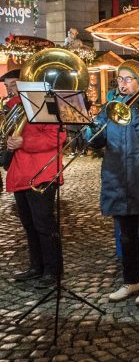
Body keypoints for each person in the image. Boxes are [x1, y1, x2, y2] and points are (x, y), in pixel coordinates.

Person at [92, 61, 139, 305]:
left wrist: (133, 110)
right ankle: (131, 280)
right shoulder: (110, 106)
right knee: (126, 236)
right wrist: (88, 126)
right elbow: (96, 141)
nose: (122, 83)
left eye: (128, 79)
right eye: (120, 78)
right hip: (117, 177)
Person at [4, 69, 66, 288]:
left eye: (14, 84)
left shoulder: (45, 102)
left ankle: (53, 270)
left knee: (44, 224)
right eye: (8, 86)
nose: (10, 90)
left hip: (42, 173)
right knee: (29, 225)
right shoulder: (13, 107)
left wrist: (24, 143)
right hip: (21, 172)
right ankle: (36, 266)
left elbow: (59, 136)